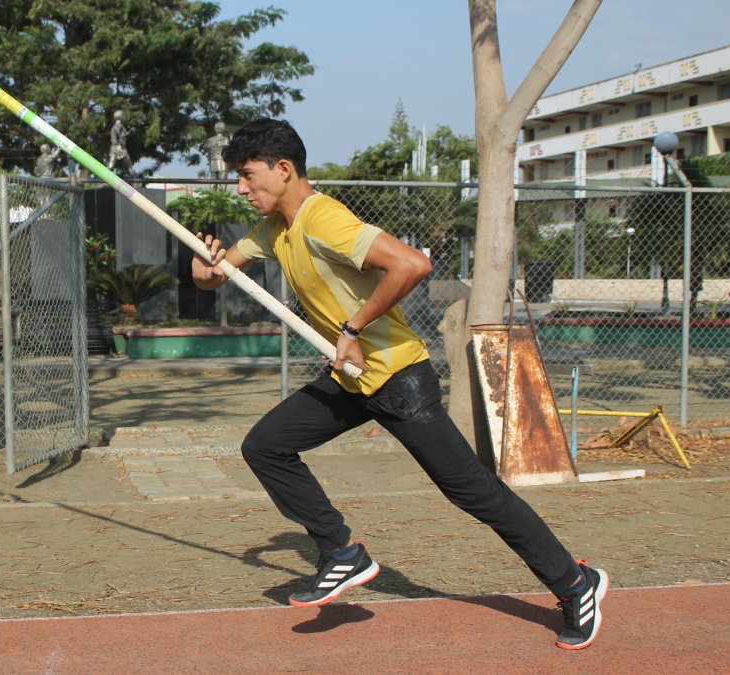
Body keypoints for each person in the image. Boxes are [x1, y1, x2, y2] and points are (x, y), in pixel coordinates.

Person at [191, 118, 609, 651]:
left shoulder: (324, 220)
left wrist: (353, 327)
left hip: (397, 378)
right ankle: (342, 552)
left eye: (248, 177)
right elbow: (215, 275)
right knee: (267, 446)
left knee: (474, 493)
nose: (242, 189)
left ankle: (576, 583)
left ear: (284, 168)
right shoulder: (277, 230)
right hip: (351, 380)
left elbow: (413, 264)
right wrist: (203, 261)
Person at [106, 110, 132, 175]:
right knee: (129, 167)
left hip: (114, 147)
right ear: (121, 117)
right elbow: (121, 136)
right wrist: (130, 132)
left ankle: (104, 179)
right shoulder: (119, 126)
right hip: (120, 148)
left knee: (111, 166)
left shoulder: (115, 126)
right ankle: (136, 182)